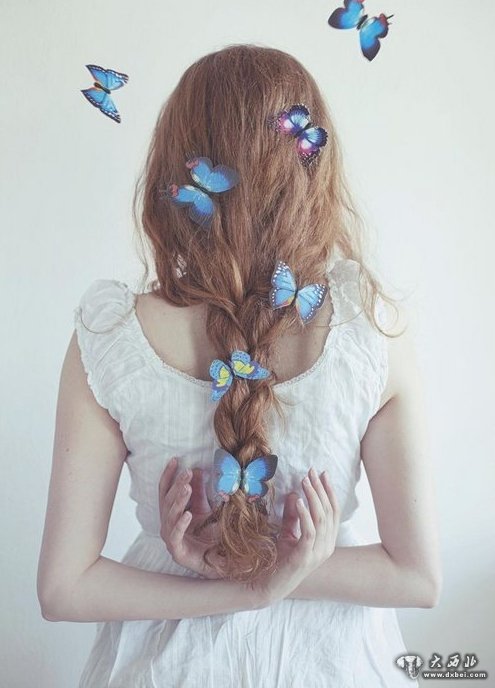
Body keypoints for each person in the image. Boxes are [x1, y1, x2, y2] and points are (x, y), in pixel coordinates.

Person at [37, 44, 442, 687]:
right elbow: (415, 576)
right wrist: (285, 570)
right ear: (311, 167)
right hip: (331, 665)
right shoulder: (368, 329)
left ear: (174, 171)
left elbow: (65, 588)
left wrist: (233, 581)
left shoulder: (112, 337)